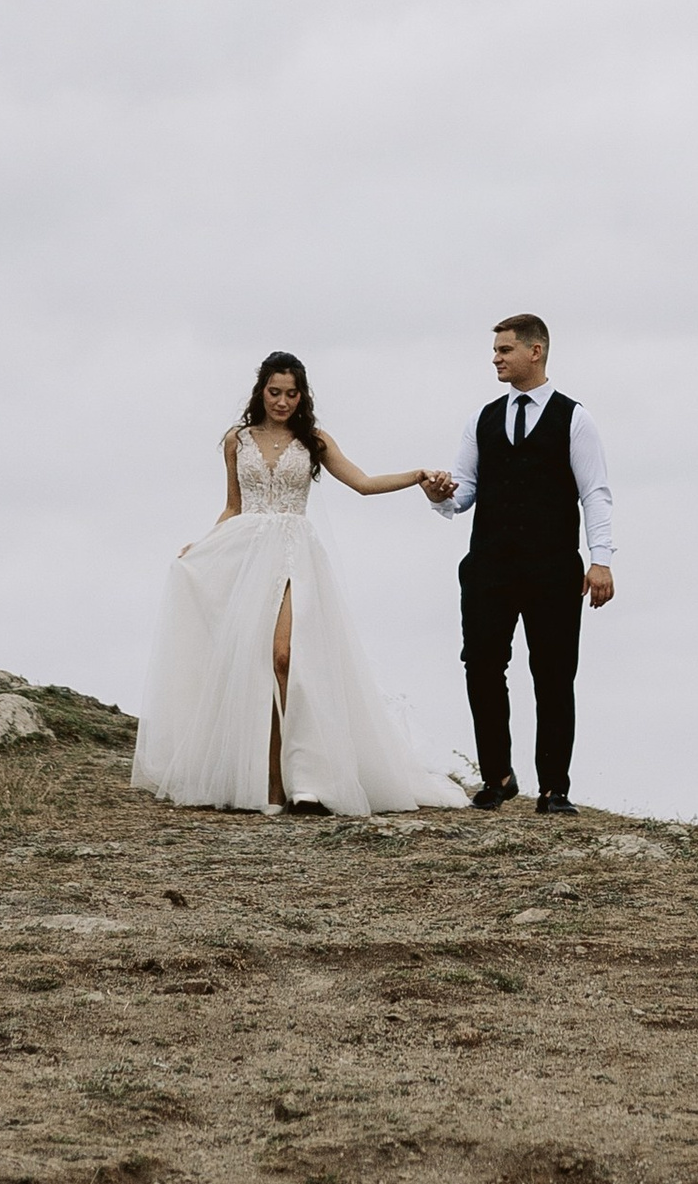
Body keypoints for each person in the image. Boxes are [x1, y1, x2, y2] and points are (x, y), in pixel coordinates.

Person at [133, 355, 463, 817]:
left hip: (294, 554)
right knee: (250, 667)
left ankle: (301, 777)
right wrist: (205, 545)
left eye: (292, 393)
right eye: (275, 392)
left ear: (302, 395)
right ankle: (267, 780)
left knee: (283, 658)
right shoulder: (237, 440)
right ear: (261, 391)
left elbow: (363, 484)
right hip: (245, 553)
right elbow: (233, 506)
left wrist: (416, 476)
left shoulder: (314, 441)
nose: (283, 401)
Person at [428, 314, 614, 816]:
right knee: (482, 666)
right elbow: (463, 494)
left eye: (505, 349)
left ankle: (554, 789)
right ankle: (498, 777)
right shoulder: (481, 419)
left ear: (536, 352)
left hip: (554, 568)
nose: (496, 358)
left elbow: (594, 493)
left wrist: (601, 560)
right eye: (495, 350)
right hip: (488, 566)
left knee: (553, 673)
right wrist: (439, 496)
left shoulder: (575, 418)